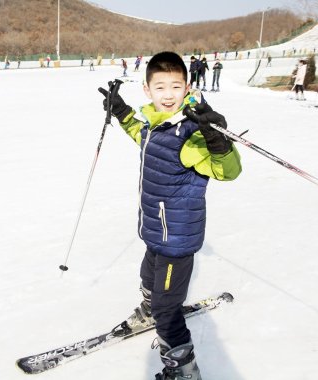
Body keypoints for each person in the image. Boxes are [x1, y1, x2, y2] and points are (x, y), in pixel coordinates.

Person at [97, 51, 242, 380]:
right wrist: (120, 110)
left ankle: (183, 370)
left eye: (175, 86)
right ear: (147, 90)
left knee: (168, 309)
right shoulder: (154, 125)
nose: (167, 94)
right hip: (155, 230)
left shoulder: (192, 133)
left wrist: (216, 137)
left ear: (187, 87)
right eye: (159, 87)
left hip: (177, 239)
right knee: (147, 277)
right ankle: (150, 309)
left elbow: (228, 170)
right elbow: (139, 133)